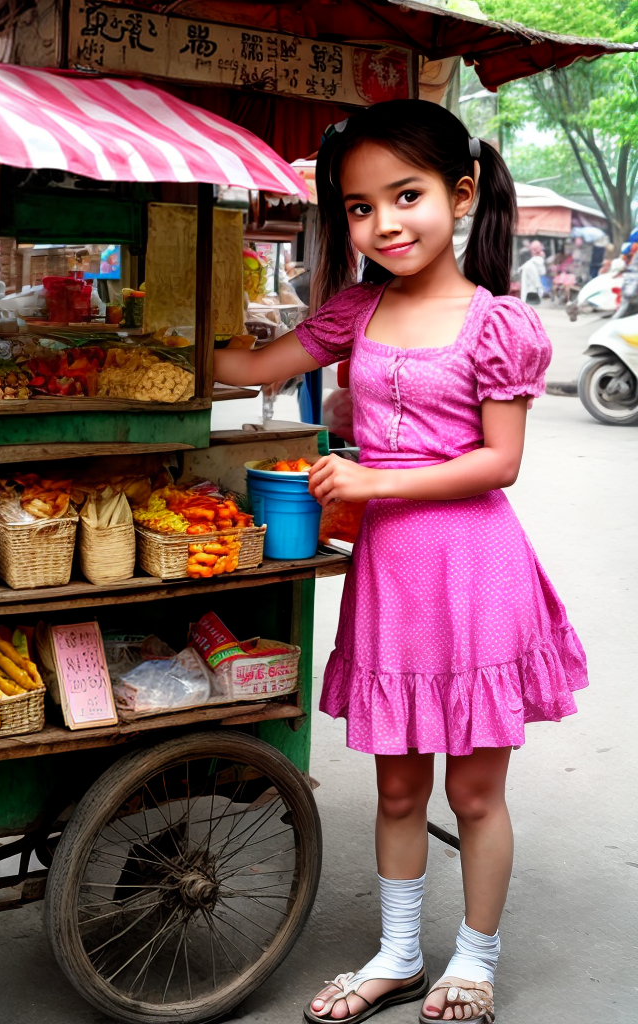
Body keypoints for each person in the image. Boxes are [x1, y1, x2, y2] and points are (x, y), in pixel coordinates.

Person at [215, 100, 587, 1024]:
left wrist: (371, 483)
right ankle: (396, 955)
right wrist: (162, 321)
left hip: (474, 573)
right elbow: (258, 368)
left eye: (406, 195)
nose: (385, 223)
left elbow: (500, 463)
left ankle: (474, 961)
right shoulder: (359, 309)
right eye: (358, 207)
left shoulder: (497, 321)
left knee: (473, 789)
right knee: (394, 786)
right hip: (393, 582)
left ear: (459, 196)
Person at [518, 240, 545, 306]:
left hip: (529, 295)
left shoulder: (530, 264)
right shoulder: (533, 264)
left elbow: (537, 280)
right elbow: (541, 275)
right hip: (532, 294)